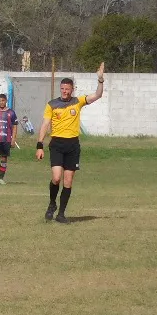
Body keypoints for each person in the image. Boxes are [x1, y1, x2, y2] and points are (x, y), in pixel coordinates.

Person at [36, 63, 105, 224]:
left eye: (67, 89)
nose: (65, 91)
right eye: (62, 89)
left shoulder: (78, 101)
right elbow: (45, 124)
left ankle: (61, 214)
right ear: (60, 89)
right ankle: (52, 203)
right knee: (56, 178)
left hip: (73, 146)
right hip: (57, 145)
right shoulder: (52, 104)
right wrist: (40, 145)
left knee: (68, 181)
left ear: (72, 89)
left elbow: (97, 95)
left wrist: (100, 80)